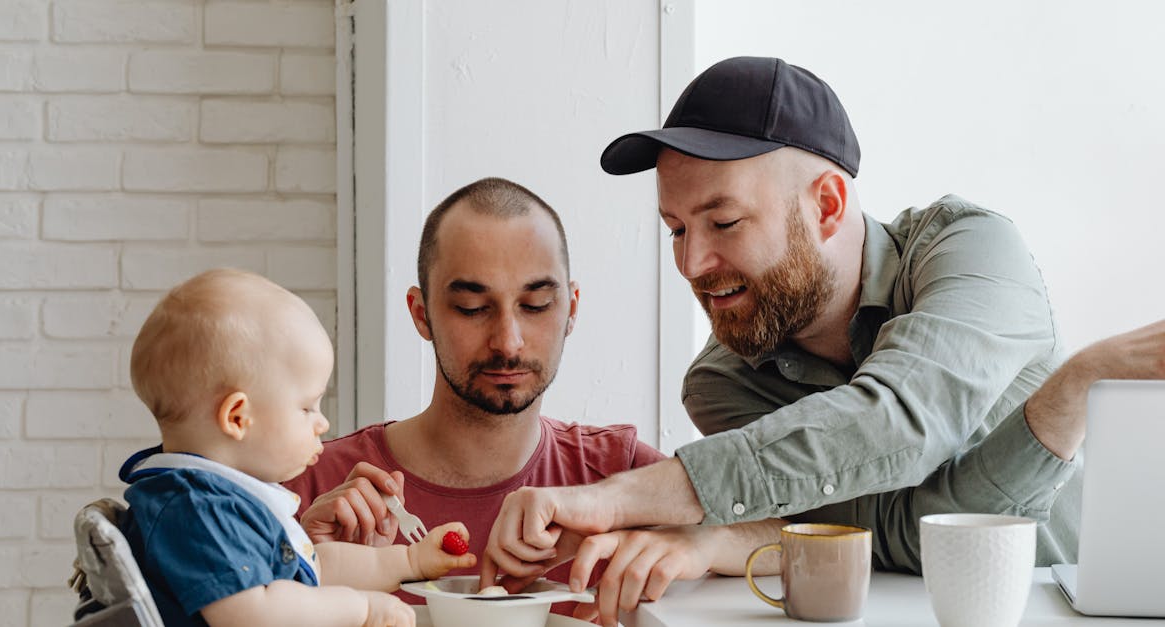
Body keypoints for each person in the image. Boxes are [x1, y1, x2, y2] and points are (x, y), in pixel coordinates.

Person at [480, 56, 1153, 623]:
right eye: (678, 229)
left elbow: (901, 419)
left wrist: (613, 497)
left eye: (724, 221)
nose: (691, 264)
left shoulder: (972, 248)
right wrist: (716, 533)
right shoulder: (723, 382)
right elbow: (896, 534)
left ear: (827, 205)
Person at [282, 178, 666, 604]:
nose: (508, 341)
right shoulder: (303, 491)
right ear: (421, 314)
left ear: (571, 310)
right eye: (472, 309)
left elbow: (752, 531)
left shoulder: (623, 473)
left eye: (536, 305)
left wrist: (694, 545)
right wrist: (304, 574)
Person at [120, 268, 473, 627]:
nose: (322, 424)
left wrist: (410, 561)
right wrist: (361, 609)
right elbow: (257, 614)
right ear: (238, 418)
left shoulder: (222, 501)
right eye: (306, 407)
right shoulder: (198, 508)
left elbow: (314, 569)